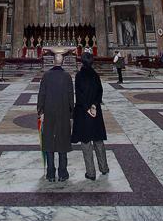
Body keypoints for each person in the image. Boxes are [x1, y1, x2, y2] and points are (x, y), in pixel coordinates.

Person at [71, 51, 109, 180]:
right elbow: (100, 92)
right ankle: (104, 168)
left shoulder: (79, 76)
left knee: (86, 143)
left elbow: (79, 95)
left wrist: (87, 107)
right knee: (98, 140)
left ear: (82, 61)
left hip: (83, 113)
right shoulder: (95, 75)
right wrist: (93, 105)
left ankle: (91, 173)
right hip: (95, 112)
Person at [37, 52, 74, 182]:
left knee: (49, 141)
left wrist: (40, 112)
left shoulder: (46, 76)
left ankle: (51, 173)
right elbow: (71, 97)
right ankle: (63, 173)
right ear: (62, 62)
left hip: (49, 113)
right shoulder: (67, 76)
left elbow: (41, 94)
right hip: (63, 112)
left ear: (53, 62)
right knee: (63, 140)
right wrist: (71, 114)